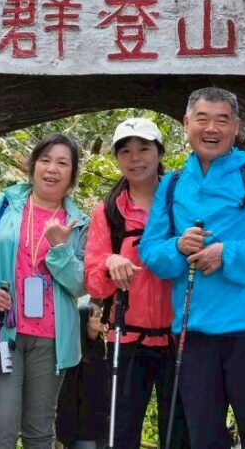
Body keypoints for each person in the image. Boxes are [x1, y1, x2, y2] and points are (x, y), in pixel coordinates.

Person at [139, 87, 245, 449]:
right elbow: (150, 250)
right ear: (186, 123)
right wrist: (178, 247)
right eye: (203, 119)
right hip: (194, 333)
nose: (211, 128)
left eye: (222, 120)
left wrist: (225, 254)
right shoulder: (172, 185)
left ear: (236, 127)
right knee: (204, 438)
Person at [0, 133, 90, 449]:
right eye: (45, 160)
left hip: (52, 338)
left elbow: (82, 284)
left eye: (62, 163)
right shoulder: (3, 205)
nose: (52, 169)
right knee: (1, 423)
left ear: (72, 174)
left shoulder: (78, 222)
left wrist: (60, 249)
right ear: (33, 165)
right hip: (3, 330)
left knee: (39, 430)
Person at [85, 118, 188, 449]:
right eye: (125, 151)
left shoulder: (182, 201)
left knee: (179, 436)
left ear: (159, 153)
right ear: (117, 158)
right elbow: (95, 284)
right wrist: (109, 262)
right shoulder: (109, 212)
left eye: (144, 148)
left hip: (181, 337)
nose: (135, 158)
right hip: (126, 339)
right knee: (121, 434)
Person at [55, 298, 109, 449]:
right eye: (96, 315)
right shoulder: (74, 356)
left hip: (104, 427)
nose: (102, 318)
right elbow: (68, 397)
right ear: (85, 321)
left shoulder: (105, 351)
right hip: (82, 429)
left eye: (101, 313)